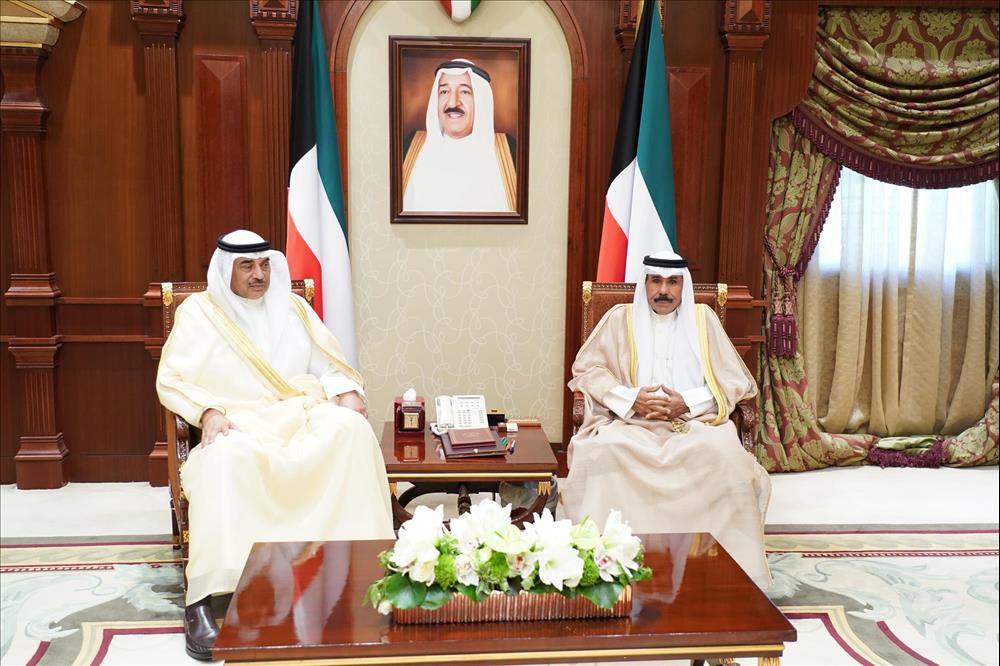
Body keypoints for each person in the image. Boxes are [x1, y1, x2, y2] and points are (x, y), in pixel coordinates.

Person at [156, 230, 394, 660]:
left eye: (265, 264)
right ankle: (204, 596)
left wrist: (346, 392)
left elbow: (329, 365)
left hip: (300, 411)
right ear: (225, 269)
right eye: (247, 266)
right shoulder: (199, 314)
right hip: (238, 420)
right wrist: (208, 411)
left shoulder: (293, 307)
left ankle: (364, 571)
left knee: (352, 432)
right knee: (225, 457)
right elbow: (171, 379)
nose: (259, 274)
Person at [561, 251, 772, 587]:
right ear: (644, 284)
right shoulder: (619, 319)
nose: (663, 290)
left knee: (726, 457)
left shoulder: (703, 321)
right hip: (630, 424)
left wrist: (686, 402)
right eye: (656, 281)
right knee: (602, 451)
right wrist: (632, 399)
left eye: (672, 282)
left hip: (693, 424)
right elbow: (587, 371)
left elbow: (734, 380)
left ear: (683, 285)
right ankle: (605, 565)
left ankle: (722, 572)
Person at [402, 58, 516, 213]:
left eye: (464, 92)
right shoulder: (409, 148)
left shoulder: (509, 153)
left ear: (481, 100)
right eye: (444, 91)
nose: (453, 103)